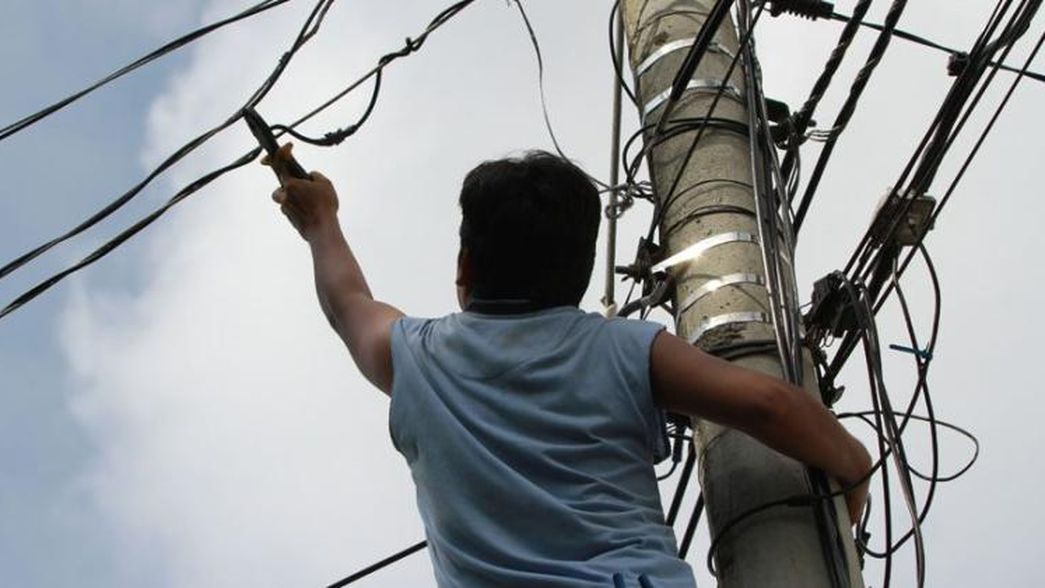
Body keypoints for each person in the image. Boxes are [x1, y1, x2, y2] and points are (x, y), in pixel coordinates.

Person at [270, 148, 871, 587]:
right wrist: (853, 469)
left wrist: (320, 220)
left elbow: (347, 302)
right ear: (580, 275)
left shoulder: (416, 358)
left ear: (465, 266)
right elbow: (769, 404)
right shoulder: (627, 349)